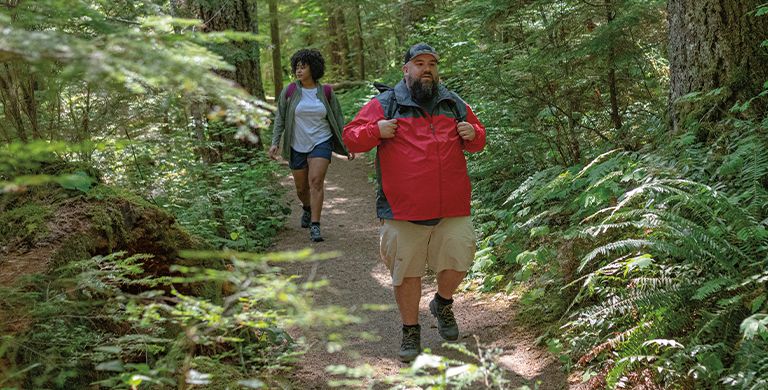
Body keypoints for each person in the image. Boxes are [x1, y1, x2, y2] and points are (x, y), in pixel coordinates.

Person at [342, 43, 486, 362]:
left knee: (461, 259)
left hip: (452, 206)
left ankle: (442, 303)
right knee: (406, 273)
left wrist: (472, 133)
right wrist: (375, 130)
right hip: (403, 210)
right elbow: (349, 137)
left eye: (432, 63)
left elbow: (478, 141)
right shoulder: (387, 103)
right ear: (406, 70)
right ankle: (411, 329)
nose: (426, 69)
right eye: (419, 63)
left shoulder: (453, 102)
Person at [269, 48, 352, 242]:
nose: (299, 71)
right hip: (296, 143)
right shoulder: (289, 91)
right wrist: (275, 143)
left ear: (313, 68)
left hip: (321, 141)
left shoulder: (326, 92)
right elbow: (280, 118)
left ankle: (315, 225)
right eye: (297, 67)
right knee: (301, 188)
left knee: (315, 181)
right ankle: (306, 208)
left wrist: (348, 144)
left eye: (303, 67)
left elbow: (339, 120)